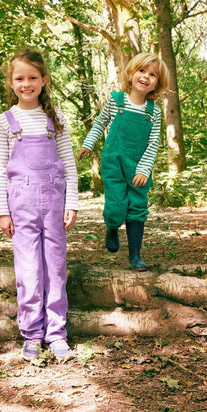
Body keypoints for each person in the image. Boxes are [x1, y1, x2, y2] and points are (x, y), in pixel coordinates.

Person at [0, 49, 79, 362]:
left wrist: (72, 202)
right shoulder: (5, 122)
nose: (26, 84)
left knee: (55, 268)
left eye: (32, 77)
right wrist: (2, 211)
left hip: (54, 204)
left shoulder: (56, 119)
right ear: (11, 83)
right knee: (28, 270)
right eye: (19, 78)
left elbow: (69, 164)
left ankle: (57, 333)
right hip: (21, 206)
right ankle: (32, 334)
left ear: (43, 80)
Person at [78, 52, 169, 272]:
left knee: (137, 206)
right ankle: (112, 226)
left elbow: (153, 142)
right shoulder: (116, 100)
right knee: (116, 205)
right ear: (130, 74)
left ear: (157, 84)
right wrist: (88, 143)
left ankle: (135, 256)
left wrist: (144, 169)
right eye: (141, 71)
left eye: (152, 75)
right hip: (114, 162)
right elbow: (100, 123)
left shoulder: (153, 112)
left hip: (138, 166)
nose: (145, 76)